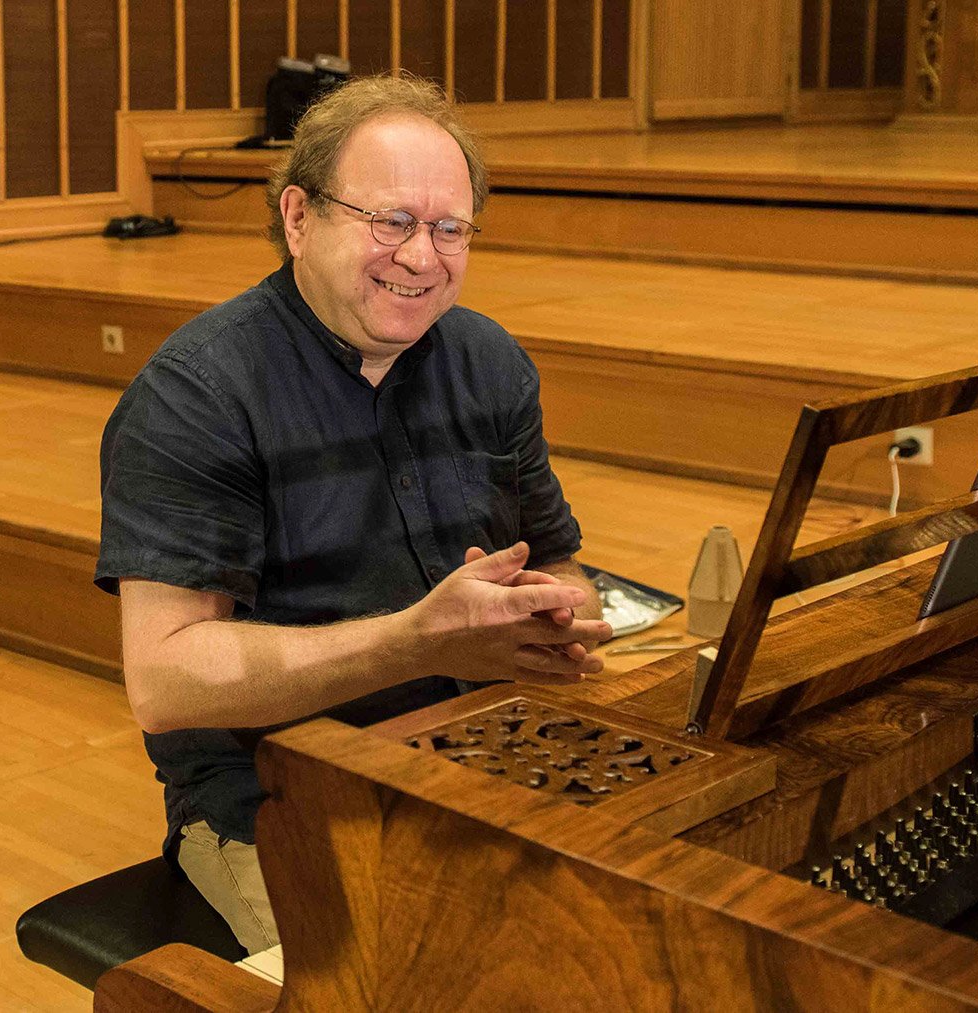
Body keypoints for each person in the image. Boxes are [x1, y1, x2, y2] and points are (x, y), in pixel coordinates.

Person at [95, 73, 610, 954]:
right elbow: (165, 681)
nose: (423, 257)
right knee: (419, 971)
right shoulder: (197, 396)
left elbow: (558, 560)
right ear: (299, 218)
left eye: (451, 229)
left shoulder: (489, 362)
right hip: (281, 798)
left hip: (477, 750)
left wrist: (558, 611)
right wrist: (416, 639)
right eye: (392, 221)